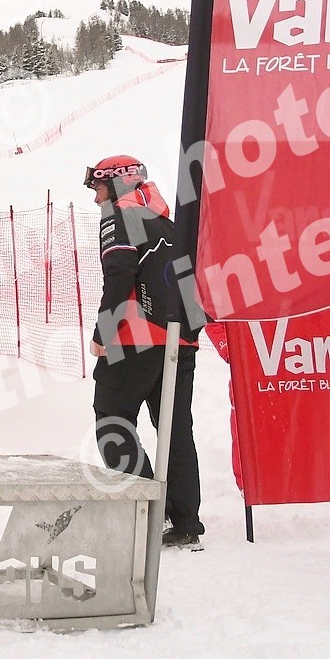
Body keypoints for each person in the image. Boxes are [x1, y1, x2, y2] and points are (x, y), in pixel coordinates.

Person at [86, 155, 205, 549]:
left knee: (112, 420)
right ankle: (185, 523)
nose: (96, 198)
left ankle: (143, 512)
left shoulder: (120, 215)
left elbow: (120, 274)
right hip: (180, 339)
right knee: (175, 429)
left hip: (134, 339)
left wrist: (104, 331)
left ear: (118, 183)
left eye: (98, 188)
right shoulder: (168, 223)